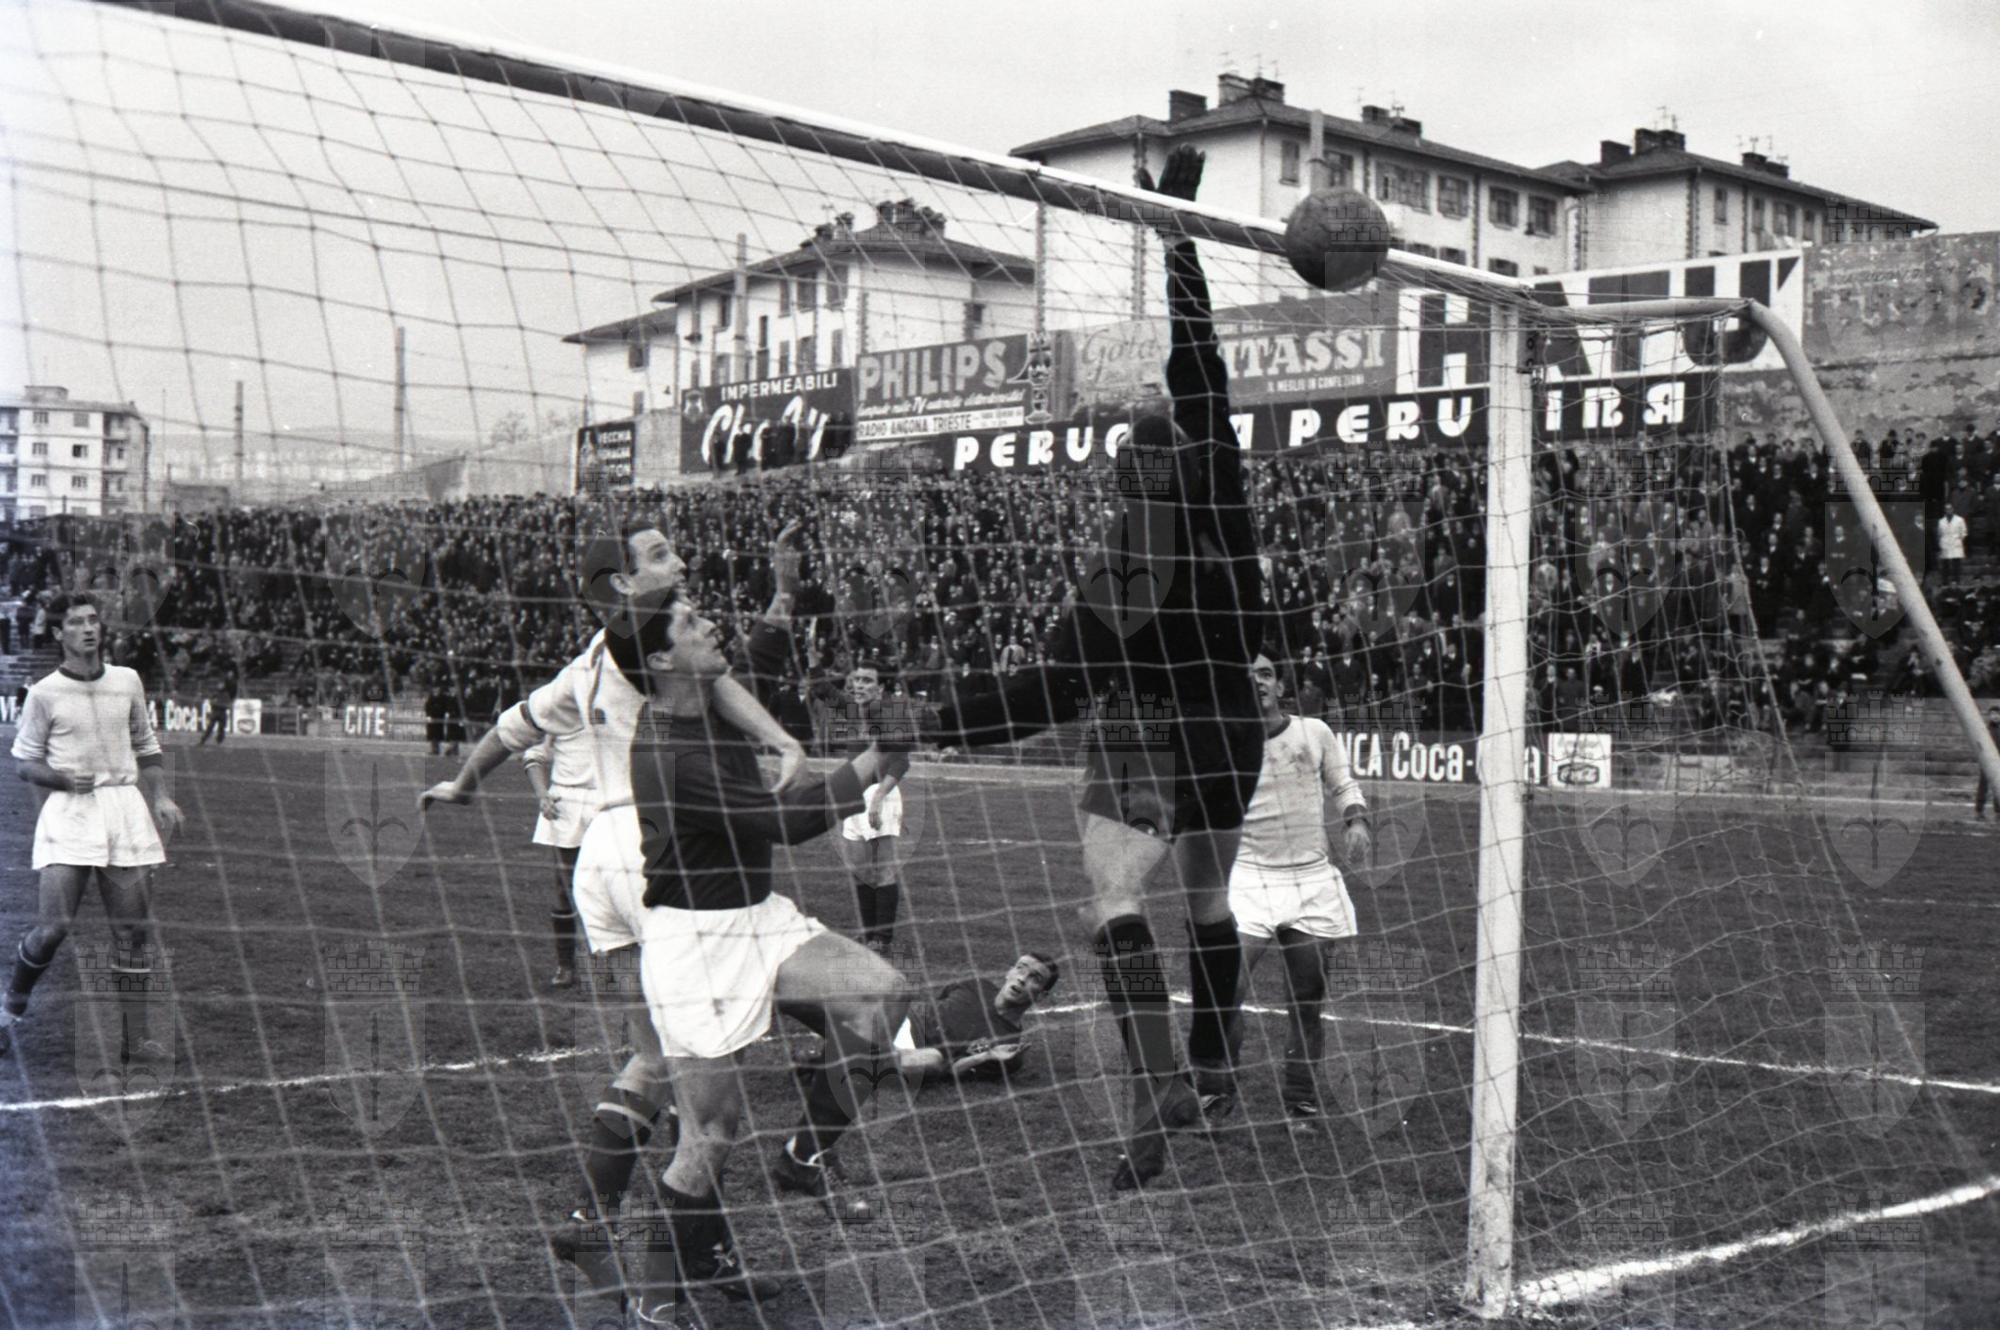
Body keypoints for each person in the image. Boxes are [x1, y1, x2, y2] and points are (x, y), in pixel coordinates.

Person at [922, 146, 1268, 1190]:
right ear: (1190, 462)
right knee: (1208, 900)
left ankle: (1158, 1079)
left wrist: (931, 720)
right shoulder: (1222, 505)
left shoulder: (1121, 572)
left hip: (1147, 730)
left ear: (1122, 480)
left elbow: (1050, 693)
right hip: (1235, 726)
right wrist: (1176, 237)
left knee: (1113, 900)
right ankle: (1212, 1069)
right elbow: (1200, 367)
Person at [418, 520, 808, 1309]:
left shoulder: (590, 659)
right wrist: (785, 742)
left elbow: (511, 726)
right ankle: (687, 1263)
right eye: (660, 555)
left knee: (655, 1058)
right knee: (709, 1084)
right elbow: (724, 689)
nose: (680, 562)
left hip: (599, 864)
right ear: (621, 584)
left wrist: (463, 785)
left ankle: (595, 1221)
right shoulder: (654, 642)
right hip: (659, 856)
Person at [617, 585, 912, 1323]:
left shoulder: (703, 698)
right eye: (691, 623)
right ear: (662, 660)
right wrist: (875, 757)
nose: (709, 623)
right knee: (708, 1139)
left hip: (760, 919)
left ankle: (804, 1156)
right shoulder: (671, 752)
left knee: (881, 995)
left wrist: (781, 600)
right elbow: (788, 822)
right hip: (697, 949)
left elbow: (747, 671)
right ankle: (653, 1305)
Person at [1, 593, 185, 1061]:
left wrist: (160, 796)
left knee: (132, 932)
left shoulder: (127, 680)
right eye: (76, 622)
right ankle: (6, 1014)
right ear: (57, 633)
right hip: (71, 812)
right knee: (54, 928)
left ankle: (134, 1039)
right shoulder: (44, 693)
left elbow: (146, 742)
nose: (88, 628)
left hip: (124, 810)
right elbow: (24, 762)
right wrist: (64, 779)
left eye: (92, 620)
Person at [1225, 654, 1371, 1128]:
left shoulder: (1315, 732)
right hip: (1250, 879)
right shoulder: (1224, 738)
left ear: (1282, 686)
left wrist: (1356, 821)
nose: (1257, 681)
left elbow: (1343, 784)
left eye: (1266, 673)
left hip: (1310, 880)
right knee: (1225, 990)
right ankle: (1216, 1092)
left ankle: (1300, 1100)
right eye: (1247, 675)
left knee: (1306, 997)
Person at [795, 952, 1060, 1084]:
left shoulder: (1009, 1046)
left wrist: (986, 1056)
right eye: (1021, 969)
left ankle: (827, 1060)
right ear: (1009, 971)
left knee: (932, 1061)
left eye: (1035, 978)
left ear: (1043, 995)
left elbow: (951, 1072)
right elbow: (934, 1002)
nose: (1022, 979)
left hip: (913, 1054)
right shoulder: (975, 986)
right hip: (895, 1020)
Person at [835, 663, 905, 954]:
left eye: (867, 680)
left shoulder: (891, 715)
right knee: (860, 871)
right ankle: (868, 937)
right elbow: (822, 688)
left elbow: (901, 762)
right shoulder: (854, 711)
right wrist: (812, 657)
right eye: (857, 679)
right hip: (854, 794)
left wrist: (878, 798)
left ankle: (882, 939)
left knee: (884, 870)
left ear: (881, 687)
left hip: (881, 794)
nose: (859, 685)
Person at [522, 730, 589, 989]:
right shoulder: (561, 715)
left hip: (610, 805)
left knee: (609, 888)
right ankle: (566, 966)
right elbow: (534, 755)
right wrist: (542, 795)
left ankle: (605, 962)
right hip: (567, 807)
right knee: (565, 888)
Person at [1976, 704, 2000, 822]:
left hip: (1998, 762)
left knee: (1998, 786)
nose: (1995, 716)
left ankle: (1998, 812)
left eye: (1997, 714)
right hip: (1986, 762)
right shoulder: (1985, 730)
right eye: (1992, 714)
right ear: (1989, 716)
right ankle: (1979, 811)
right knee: (1983, 786)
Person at [1938, 502, 1968, 584]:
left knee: (1956, 564)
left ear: (1953, 509)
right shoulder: (1941, 521)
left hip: (1956, 543)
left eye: (1950, 509)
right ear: (1945, 510)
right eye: (1946, 509)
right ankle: (1945, 581)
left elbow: (1964, 532)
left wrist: (1958, 540)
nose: (1948, 510)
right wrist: (1942, 542)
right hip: (1945, 544)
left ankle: (1956, 580)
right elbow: (1940, 533)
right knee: (1945, 564)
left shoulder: (1960, 520)